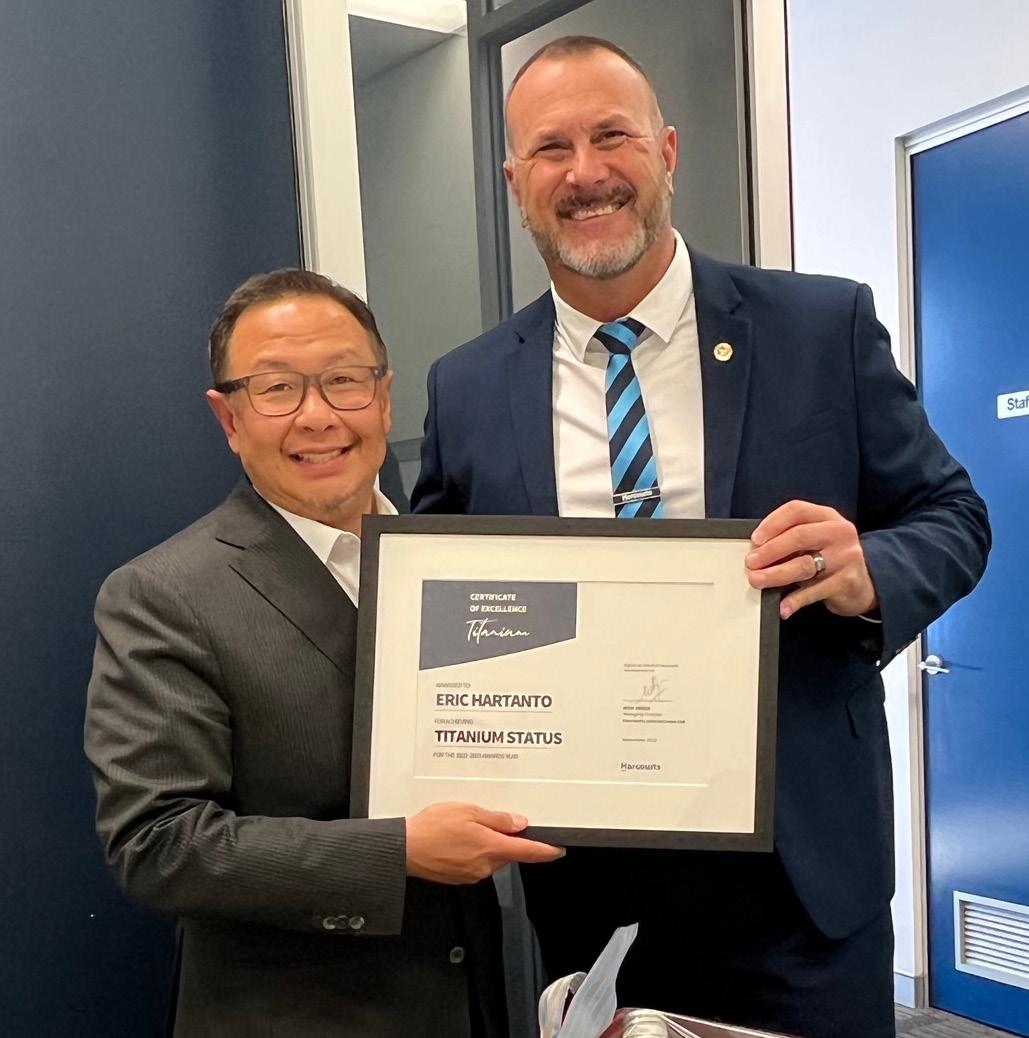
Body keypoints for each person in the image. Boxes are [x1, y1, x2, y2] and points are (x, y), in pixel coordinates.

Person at [411, 36, 990, 1038]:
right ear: (514, 181)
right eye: (550, 148)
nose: (585, 173)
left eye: (612, 136)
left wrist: (869, 569)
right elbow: (444, 603)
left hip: (801, 887)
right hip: (586, 894)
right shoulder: (466, 387)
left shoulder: (820, 327)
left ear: (668, 152)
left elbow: (954, 516)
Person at [84, 269, 563, 1038]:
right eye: (277, 389)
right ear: (229, 417)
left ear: (384, 397)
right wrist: (396, 852)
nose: (317, 416)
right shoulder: (163, 596)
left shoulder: (462, 564)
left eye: (343, 380)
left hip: (471, 998)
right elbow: (159, 845)